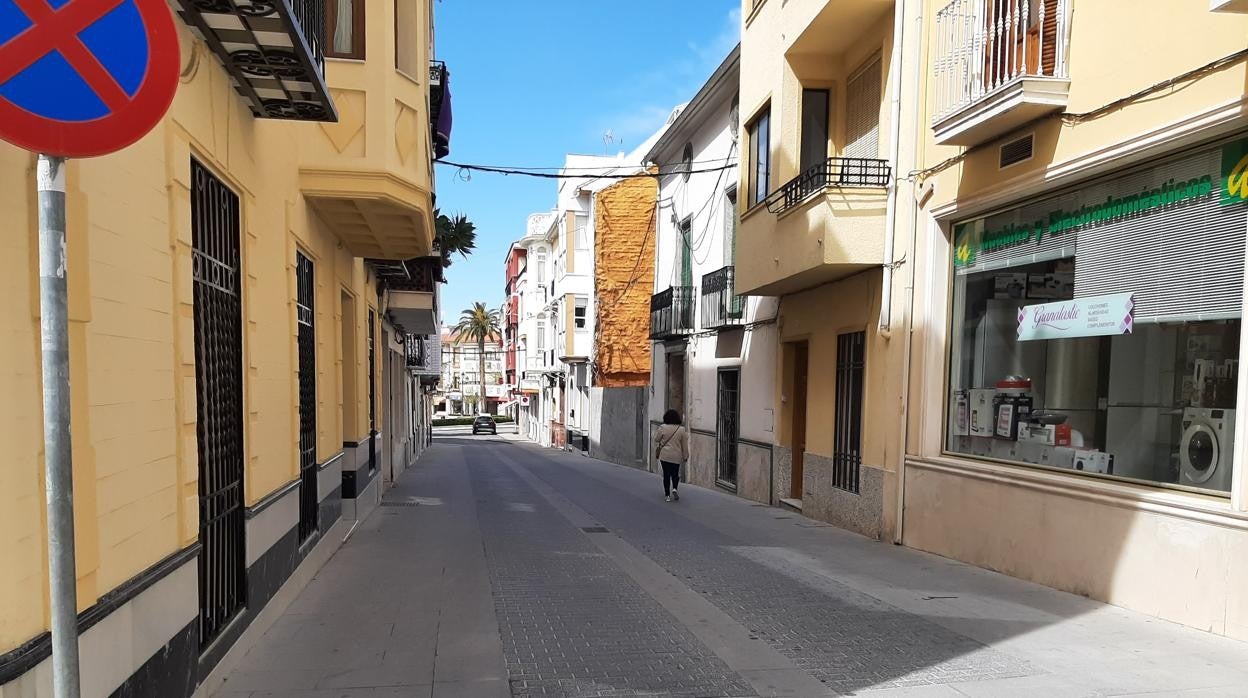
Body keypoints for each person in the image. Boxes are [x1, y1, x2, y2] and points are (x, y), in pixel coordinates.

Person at [654, 409, 688, 502]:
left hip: (665, 455)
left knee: (666, 474)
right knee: (675, 473)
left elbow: (656, 439)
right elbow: (684, 445)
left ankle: (667, 495)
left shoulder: (663, 427)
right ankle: (675, 488)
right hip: (676, 455)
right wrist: (685, 456)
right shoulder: (681, 429)